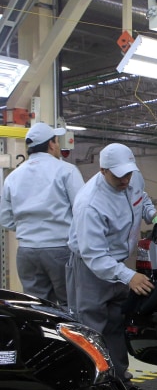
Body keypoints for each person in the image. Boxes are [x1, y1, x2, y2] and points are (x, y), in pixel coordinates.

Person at [67, 143, 157, 390]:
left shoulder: (132, 178)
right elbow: (94, 256)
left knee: (116, 327)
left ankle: (121, 385)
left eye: (128, 174)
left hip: (120, 263)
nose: (125, 180)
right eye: (118, 176)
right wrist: (129, 276)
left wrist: (153, 215)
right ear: (102, 170)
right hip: (91, 269)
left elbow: (141, 198)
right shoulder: (90, 204)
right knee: (91, 330)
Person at [0, 122, 84, 305]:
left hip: (27, 253)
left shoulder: (13, 176)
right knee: (69, 306)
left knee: (37, 308)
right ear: (51, 144)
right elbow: (82, 209)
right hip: (60, 249)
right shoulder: (66, 170)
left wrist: (28, 228)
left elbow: (5, 218)